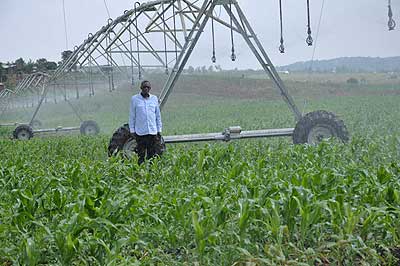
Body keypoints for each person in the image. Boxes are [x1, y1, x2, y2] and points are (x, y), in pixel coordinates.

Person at [129, 80, 163, 164]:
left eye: (148, 87)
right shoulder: (135, 99)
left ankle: (150, 173)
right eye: (144, 87)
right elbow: (132, 116)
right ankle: (141, 172)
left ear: (150, 88)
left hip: (152, 132)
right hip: (141, 132)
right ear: (141, 88)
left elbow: (157, 115)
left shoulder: (154, 99)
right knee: (141, 155)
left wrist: (159, 129)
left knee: (152, 155)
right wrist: (132, 130)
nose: (146, 89)